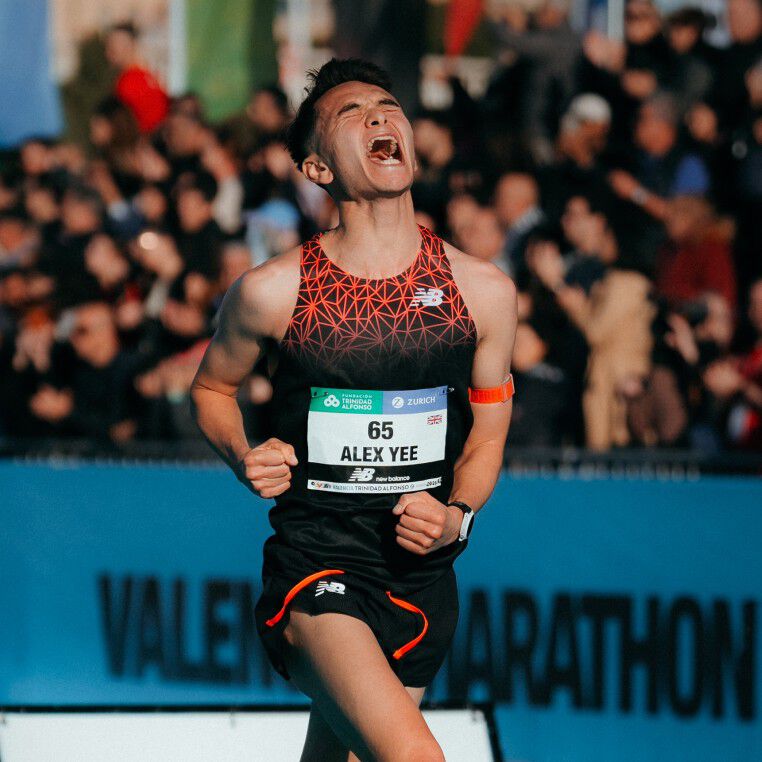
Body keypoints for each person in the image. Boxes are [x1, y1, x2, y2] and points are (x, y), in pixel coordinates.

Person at [190, 58, 516, 761]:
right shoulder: (273, 291)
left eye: (388, 105)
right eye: (351, 113)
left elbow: (488, 435)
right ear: (317, 168)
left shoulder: (483, 291)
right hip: (317, 565)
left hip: (421, 577)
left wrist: (457, 516)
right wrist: (244, 454)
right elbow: (211, 390)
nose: (378, 116)